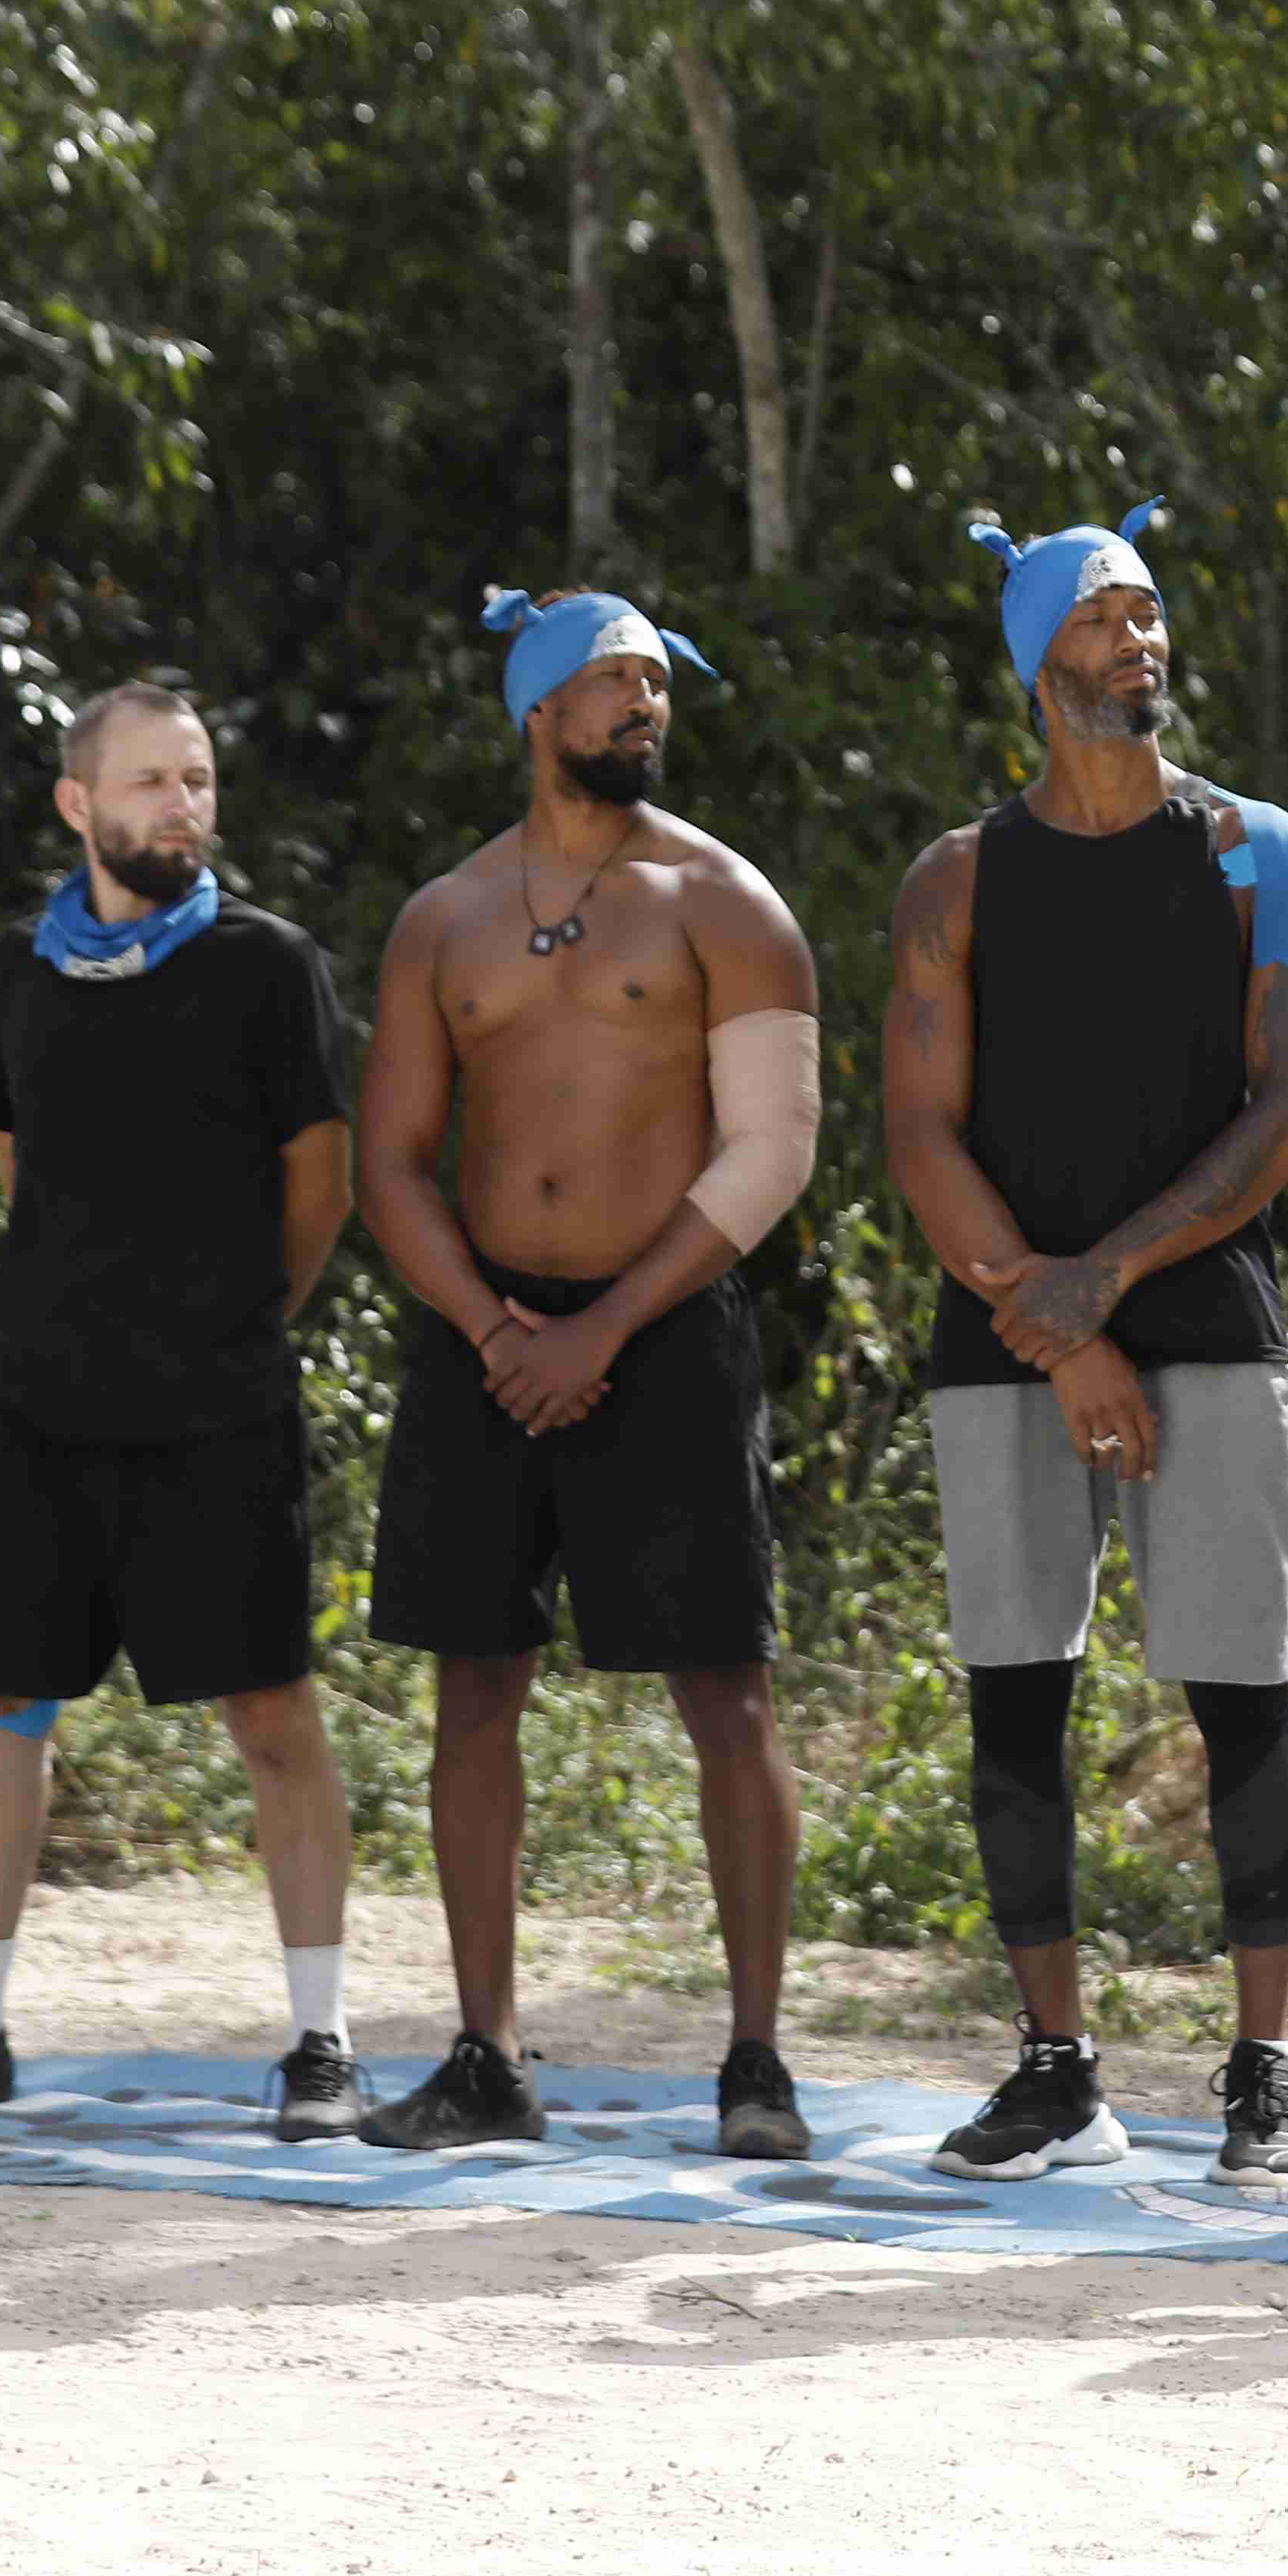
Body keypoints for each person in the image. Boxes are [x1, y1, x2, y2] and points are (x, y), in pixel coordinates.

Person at [885, 503, 1288, 2182]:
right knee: (1016, 1699)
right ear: (1035, 662)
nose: (1138, 639)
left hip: (1209, 1325)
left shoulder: (1259, 854)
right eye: (1101, 618)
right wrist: (1054, 1320)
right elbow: (920, 1130)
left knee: (1242, 1698)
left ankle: (1262, 2072)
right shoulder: (956, 880)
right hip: (1007, 1332)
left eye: (1149, 613)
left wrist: (1113, 1282)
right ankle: (1056, 2070)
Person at [349, 588, 823, 2158]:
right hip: (484, 1337)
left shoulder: (724, 902)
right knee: (472, 1685)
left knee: (726, 1690)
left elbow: (773, 1150)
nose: (645, 705)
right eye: (615, 680)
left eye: (655, 684)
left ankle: (755, 2062)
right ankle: (487, 2055)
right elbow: (391, 1163)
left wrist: (604, 1327)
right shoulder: (444, 918)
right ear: (537, 709)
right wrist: (497, 1331)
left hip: (663, 1327)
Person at [0, 685, 365, 2136]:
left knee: (271, 1709)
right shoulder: (14, 969)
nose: (182, 804)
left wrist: (226, 1318)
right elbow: (22, 1170)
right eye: (150, 780)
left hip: (220, 1406)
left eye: (197, 779)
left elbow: (321, 1189)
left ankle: (322, 2043)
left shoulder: (269, 966)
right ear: (78, 803)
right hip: (43, 1407)